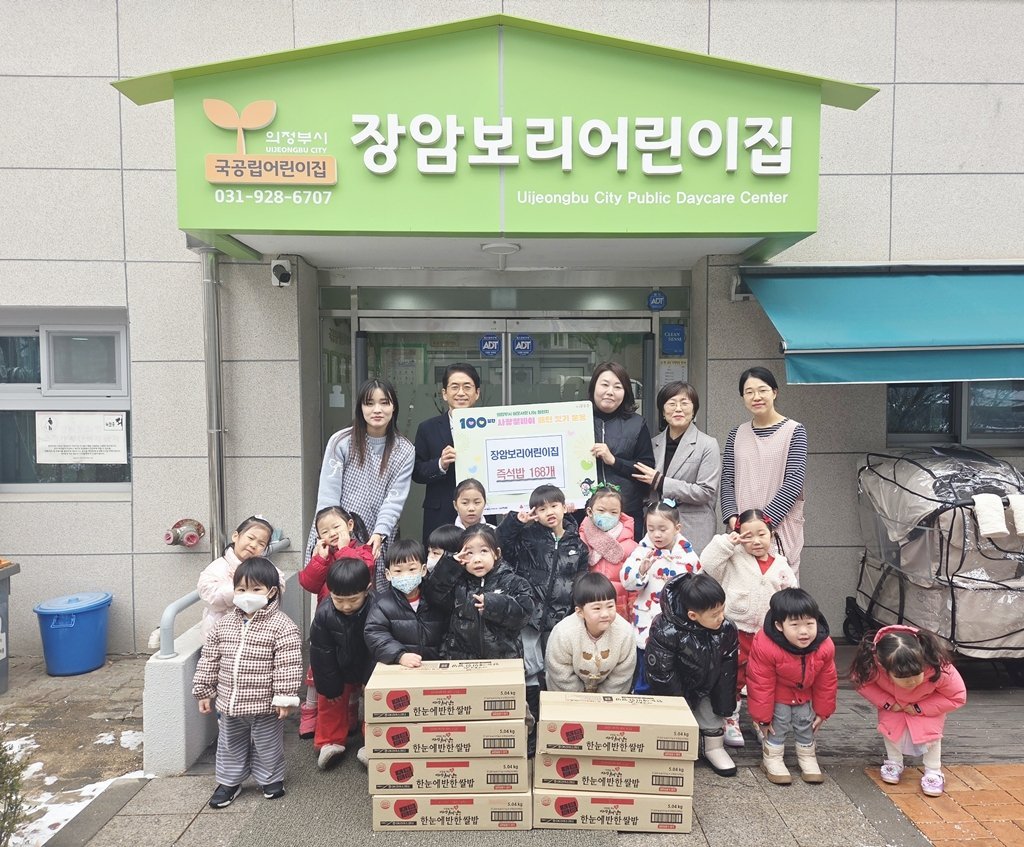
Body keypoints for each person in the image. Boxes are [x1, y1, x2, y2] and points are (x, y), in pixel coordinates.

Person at [192, 558, 303, 808]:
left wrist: (284, 697)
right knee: (230, 744)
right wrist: (203, 690)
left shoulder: (282, 626)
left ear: (271, 592)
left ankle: (271, 779)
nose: (247, 595)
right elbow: (210, 658)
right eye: (241, 589)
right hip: (230, 703)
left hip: (265, 705)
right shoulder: (224, 625)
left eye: (255, 589)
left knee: (268, 744)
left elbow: (287, 665)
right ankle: (229, 782)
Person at [700, 509, 797, 747]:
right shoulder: (732, 557)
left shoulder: (781, 563)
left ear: (771, 534)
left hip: (767, 634)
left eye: (761, 534)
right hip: (735, 630)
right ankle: (729, 718)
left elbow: (790, 596)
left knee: (763, 679)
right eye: (747, 536)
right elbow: (707, 563)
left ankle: (760, 719)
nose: (755, 541)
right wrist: (728, 542)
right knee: (732, 676)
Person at [498, 484, 589, 738]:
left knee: (555, 667)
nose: (549, 512)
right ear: (534, 514)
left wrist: (577, 609)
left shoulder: (577, 543)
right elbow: (501, 544)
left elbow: (581, 578)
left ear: (564, 507)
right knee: (529, 666)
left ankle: (554, 724)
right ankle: (532, 724)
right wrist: (515, 522)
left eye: (554, 506)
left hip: (560, 617)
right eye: (541, 508)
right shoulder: (527, 537)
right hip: (529, 615)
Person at [309, 377, 414, 591]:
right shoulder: (341, 441)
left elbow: (395, 500)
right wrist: (329, 534)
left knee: (374, 598)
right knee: (335, 595)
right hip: (336, 532)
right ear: (360, 408)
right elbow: (328, 494)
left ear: (394, 407)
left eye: (384, 403)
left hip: (377, 535)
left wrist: (380, 532)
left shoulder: (404, 450)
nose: (377, 409)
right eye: (369, 403)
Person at [850, 624, 967, 797]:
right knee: (890, 730)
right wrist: (888, 703)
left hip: (927, 706)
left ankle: (933, 770)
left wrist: (920, 708)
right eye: (902, 677)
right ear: (884, 667)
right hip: (894, 705)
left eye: (917, 674)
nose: (911, 682)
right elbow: (861, 683)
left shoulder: (938, 666)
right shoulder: (872, 665)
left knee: (931, 737)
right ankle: (894, 762)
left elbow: (957, 696)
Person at [645, 572, 739, 777]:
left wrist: (724, 705)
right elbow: (662, 673)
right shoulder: (666, 630)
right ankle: (676, 745)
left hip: (707, 684)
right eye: (714, 614)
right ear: (693, 615)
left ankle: (714, 747)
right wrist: (678, 706)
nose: (721, 617)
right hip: (677, 686)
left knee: (711, 716)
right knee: (673, 721)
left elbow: (728, 669)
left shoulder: (726, 628)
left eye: (722, 610)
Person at [720, 366, 808, 575]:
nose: (756, 397)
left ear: (774, 392)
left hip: (779, 528)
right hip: (741, 530)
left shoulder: (795, 431)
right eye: (749, 392)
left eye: (762, 390)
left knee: (780, 587)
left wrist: (762, 526)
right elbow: (727, 481)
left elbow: (793, 483)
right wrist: (735, 520)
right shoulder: (736, 434)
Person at [297, 505, 375, 739]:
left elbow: (363, 570)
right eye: (324, 531)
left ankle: (350, 713)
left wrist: (343, 550)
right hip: (329, 619)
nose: (331, 533)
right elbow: (309, 584)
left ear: (349, 525)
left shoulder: (362, 551)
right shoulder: (322, 555)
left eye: (336, 527)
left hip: (357, 618)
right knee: (323, 669)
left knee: (353, 670)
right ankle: (310, 713)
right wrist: (319, 560)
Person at [746, 588, 837, 785]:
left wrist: (823, 711)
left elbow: (826, 681)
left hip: (804, 694)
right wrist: (762, 718)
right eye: (795, 625)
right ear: (779, 625)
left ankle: (807, 757)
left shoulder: (824, 645)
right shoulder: (766, 645)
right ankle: (772, 758)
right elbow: (760, 683)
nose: (804, 631)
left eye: (809, 624)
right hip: (777, 695)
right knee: (777, 725)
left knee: (806, 723)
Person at [620, 500, 701, 693]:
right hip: (647, 625)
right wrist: (641, 571)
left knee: (674, 678)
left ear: (677, 528)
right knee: (645, 674)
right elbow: (626, 582)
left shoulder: (688, 557)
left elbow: (697, 590)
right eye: (651, 529)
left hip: (677, 628)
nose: (656, 534)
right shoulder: (642, 552)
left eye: (663, 529)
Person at [632, 381, 721, 556]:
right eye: (672, 403)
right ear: (663, 411)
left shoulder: (707, 444)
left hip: (693, 529)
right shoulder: (652, 444)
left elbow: (706, 491)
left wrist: (662, 482)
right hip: (657, 531)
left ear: (694, 410)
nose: (678, 409)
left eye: (684, 403)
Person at [423, 524, 534, 660]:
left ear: (496, 553)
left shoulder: (514, 582)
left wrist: (493, 604)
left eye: (484, 551)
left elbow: (523, 615)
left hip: (502, 660)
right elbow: (433, 595)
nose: (477, 559)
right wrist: (450, 565)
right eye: (470, 553)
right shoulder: (457, 583)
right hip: (462, 661)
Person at [308, 558, 373, 770]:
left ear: (367, 589)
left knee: (376, 703)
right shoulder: (324, 613)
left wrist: (369, 680)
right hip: (337, 666)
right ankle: (329, 743)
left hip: (368, 664)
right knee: (331, 701)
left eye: (353, 600)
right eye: (338, 599)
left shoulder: (377, 608)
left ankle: (374, 743)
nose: (346, 606)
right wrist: (329, 686)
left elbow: (378, 648)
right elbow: (321, 653)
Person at [413, 363, 483, 543]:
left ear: (477, 393)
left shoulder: (490, 426)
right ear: (444, 393)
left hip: (479, 512)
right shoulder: (427, 428)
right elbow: (417, 471)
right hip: (440, 514)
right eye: (454, 387)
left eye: (467, 387)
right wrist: (440, 464)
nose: (461, 393)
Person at [587, 362, 655, 541]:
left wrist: (614, 461)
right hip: (585, 514)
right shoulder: (577, 420)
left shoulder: (637, 424)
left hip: (626, 514)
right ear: (593, 387)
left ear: (625, 392)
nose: (610, 392)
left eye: (618, 387)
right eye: (604, 385)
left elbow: (646, 469)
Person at [544, 573, 636, 694]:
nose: (605, 614)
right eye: (597, 608)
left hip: (608, 700)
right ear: (580, 612)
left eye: (610, 606)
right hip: (568, 696)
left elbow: (622, 673)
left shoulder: (625, 633)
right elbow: (560, 670)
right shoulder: (563, 633)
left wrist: (604, 699)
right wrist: (579, 698)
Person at [363, 538, 447, 667]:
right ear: (388, 574)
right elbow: (375, 634)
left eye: (412, 569)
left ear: (423, 570)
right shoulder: (382, 605)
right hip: (400, 668)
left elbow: (448, 631)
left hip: (435, 667)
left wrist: (443, 655)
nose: (405, 575)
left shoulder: (435, 600)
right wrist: (399, 655)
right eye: (398, 571)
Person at [197, 516, 283, 638]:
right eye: (251, 538)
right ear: (235, 536)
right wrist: (242, 588)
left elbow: (279, 584)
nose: (253, 545)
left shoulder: (266, 567)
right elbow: (210, 598)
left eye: (261, 543)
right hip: (222, 634)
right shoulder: (218, 566)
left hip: (259, 632)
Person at [577, 484, 639, 622]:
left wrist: (632, 606)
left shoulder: (630, 546)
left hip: (619, 608)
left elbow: (635, 582)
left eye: (613, 512)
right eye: (601, 510)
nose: (607, 515)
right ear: (590, 511)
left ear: (620, 514)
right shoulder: (580, 542)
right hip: (590, 606)